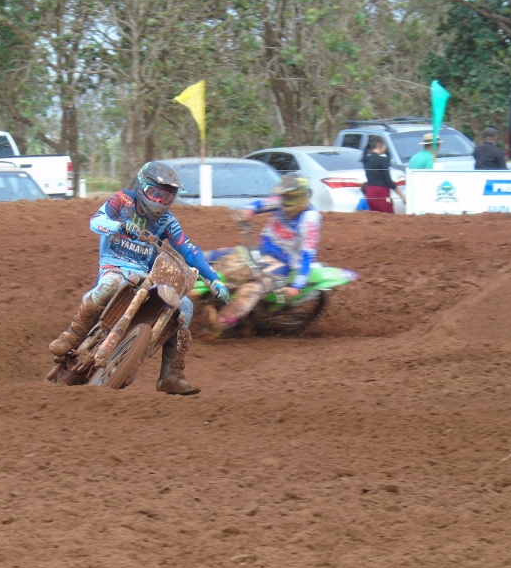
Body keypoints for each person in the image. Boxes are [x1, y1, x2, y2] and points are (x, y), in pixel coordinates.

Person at [48, 161, 230, 395]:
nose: (159, 202)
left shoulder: (167, 221)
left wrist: (213, 279)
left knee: (184, 307)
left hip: (146, 274)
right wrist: (120, 226)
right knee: (110, 284)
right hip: (115, 265)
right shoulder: (123, 200)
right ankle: (72, 336)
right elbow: (96, 221)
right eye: (155, 194)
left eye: (166, 198)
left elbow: (188, 249)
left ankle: (172, 374)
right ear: (142, 187)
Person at [211, 173, 321, 334]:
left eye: (289, 198)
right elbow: (258, 204)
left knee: (251, 288)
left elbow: (307, 255)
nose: (284, 202)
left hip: (282, 263)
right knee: (220, 256)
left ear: (300, 198)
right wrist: (247, 211)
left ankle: (221, 322)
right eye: (283, 197)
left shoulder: (310, 219)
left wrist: (296, 286)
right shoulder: (281, 201)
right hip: (260, 251)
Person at [362, 137, 405, 213]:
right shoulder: (382, 160)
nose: (385, 147)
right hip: (381, 193)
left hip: (370, 192)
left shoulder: (366, 160)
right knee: (388, 217)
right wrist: (402, 196)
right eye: (384, 145)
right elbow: (388, 180)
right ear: (379, 145)